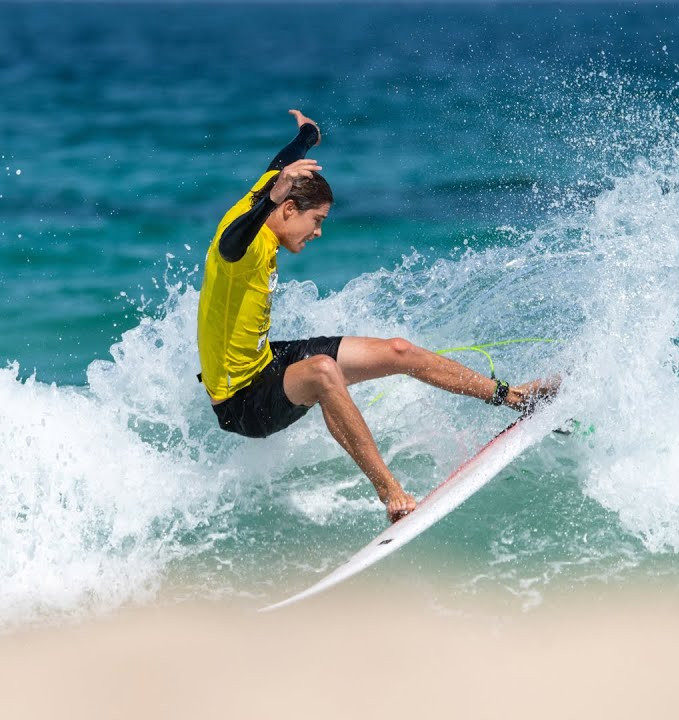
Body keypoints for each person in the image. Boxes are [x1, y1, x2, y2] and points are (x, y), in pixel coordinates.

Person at [197, 109, 558, 524]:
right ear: (289, 207)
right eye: (316, 221)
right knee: (322, 372)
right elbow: (229, 244)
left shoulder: (273, 189)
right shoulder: (246, 244)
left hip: (263, 362)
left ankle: (515, 397)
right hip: (241, 401)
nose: (317, 233)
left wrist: (308, 134)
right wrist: (271, 199)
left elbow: (284, 159)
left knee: (398, 351)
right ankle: (391, 493)